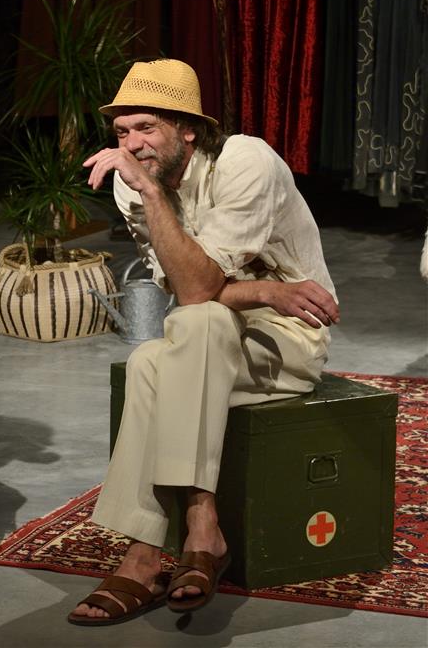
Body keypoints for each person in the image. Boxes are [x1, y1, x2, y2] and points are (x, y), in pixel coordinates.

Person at [67, 59, 340, 625]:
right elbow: (188, 290)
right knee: (157, 352)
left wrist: (259, 296)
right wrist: (264, 288)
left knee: (179, 336)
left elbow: (196, 289)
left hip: (288, 337)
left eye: (146, 128)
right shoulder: (133, 185)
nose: (131, 145)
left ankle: (152, 549)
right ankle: (192, 533)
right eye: (122, 132)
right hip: (208, 334)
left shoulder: (245, 161)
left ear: (188, 129)